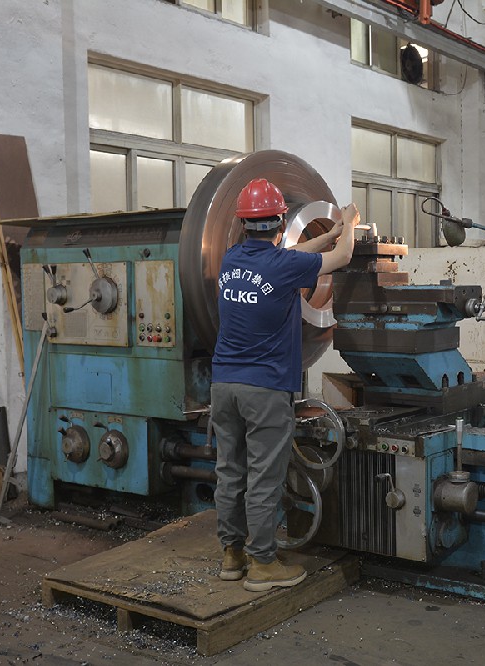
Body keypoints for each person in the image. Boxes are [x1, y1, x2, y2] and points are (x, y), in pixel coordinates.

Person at [211, 177, 357, 592]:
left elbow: (291, 257)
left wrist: (327, 234)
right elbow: (342, 257)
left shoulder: (231, 260)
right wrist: (348, 224)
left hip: (224, 385)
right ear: (280, 221)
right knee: (263, 477)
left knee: (230, 472)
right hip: (265, 389)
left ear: (242, 224)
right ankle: (262, 564)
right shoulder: (281, 267)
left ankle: (232, 555)